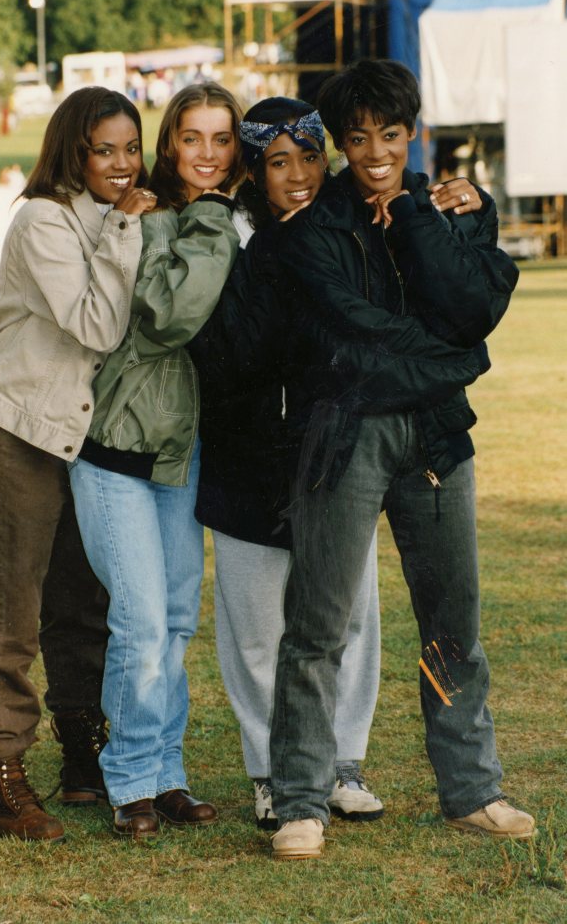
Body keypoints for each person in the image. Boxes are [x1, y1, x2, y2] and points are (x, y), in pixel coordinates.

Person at [266, 59, 535, 859]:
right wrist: (455, 360)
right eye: (357, 138)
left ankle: (472, 790)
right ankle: (301, 802)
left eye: (389, 134)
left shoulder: (442, 206)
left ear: (410, 133)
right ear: (341, 144)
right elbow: (351, 338)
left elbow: (473, 305)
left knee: (453, 623)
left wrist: (418, 218)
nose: (375, 151)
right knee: (317, 624)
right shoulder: (314, 227)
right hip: (344, 432)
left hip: (435, 438)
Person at [0, 87, 154, 841]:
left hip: (84, 437)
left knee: (83, 603)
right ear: (73, 150)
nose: (120, 163)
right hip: (13, 429)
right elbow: (97, 324)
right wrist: (133, 228)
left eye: (131, 148)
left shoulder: (118, 215)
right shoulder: (43, 219)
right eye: (104, 149)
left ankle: (82, 756)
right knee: (9, 616)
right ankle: (2, 777)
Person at [188, 97, 384, 830]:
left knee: (349, 614)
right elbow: (216, 350)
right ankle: (272, 771)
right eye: (277, 161)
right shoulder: (225, 233)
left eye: (308, 156)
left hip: (336, 456)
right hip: (246, 459)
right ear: (253, 168)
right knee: (256, 627)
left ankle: (339, 761)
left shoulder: (349, 227)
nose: (296, 175)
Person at [67, 83, 244, 842]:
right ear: (169, 142)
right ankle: (131, 778)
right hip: (115, 448)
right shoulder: (152, 216)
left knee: (173, 620)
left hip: (182, 451)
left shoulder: (223, 218)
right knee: (140, 620)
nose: (206, 153)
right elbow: (170, 315)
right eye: (191, 138)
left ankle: (164, 770)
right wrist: (205, 219)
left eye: (221, 140)